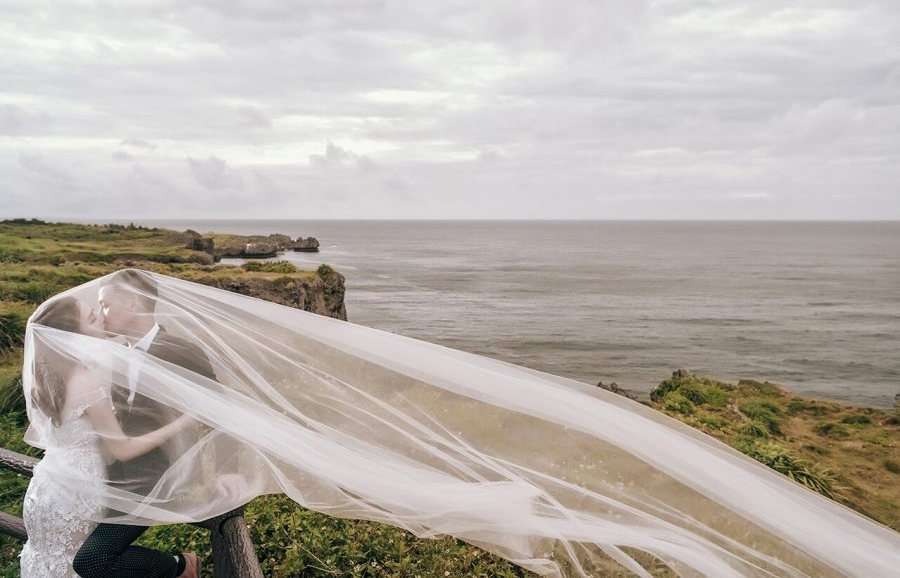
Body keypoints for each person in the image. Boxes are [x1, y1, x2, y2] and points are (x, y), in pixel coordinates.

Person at [21, 269, 900, 578]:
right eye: (104, 307)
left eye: (116, 304)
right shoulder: (119, 351)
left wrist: (183, 459)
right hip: (122, 489)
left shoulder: (186, 354)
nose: (108, 312)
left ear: (143, 308)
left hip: (164, 486)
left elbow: (192, 421)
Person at [20, 295, 201, 578]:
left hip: (45, 490)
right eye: (92, 317)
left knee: (51, 560)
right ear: (73, 336)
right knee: (86, 563)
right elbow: (123, 450)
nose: (101, 318)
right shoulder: (84, 379)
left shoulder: (44, 375)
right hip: (78, 491)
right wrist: (182, 423)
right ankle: (178, 567)